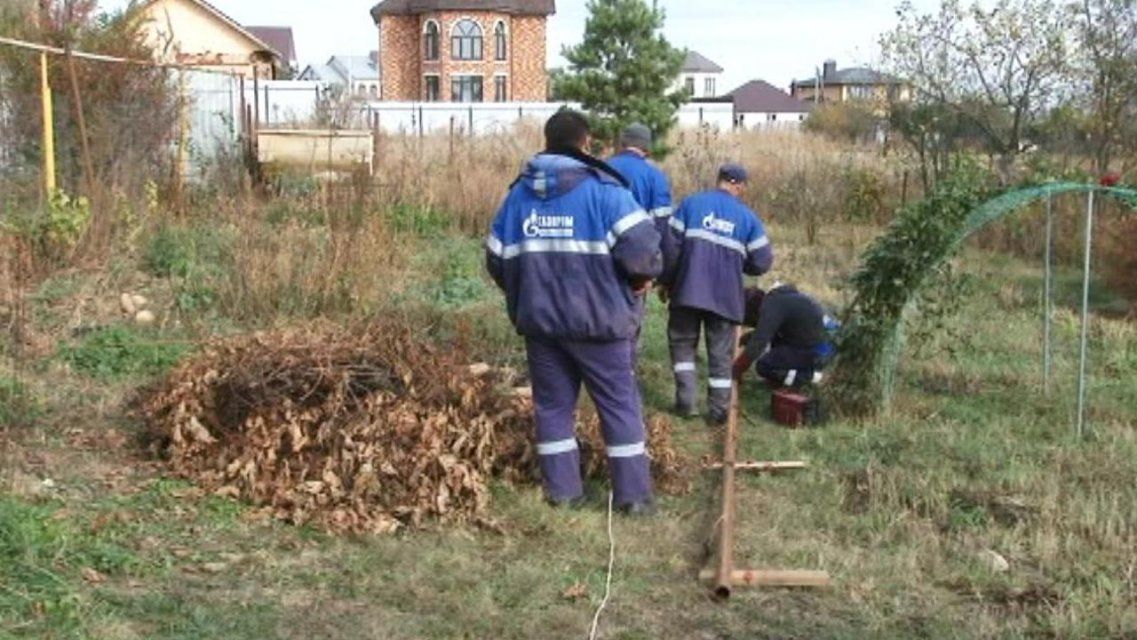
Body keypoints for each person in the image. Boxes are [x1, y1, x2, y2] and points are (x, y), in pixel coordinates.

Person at [485, 110, 662, 516]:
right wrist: (640, 280)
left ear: (547, 141)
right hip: (601, 326)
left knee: (552, 408)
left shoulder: (517, 198)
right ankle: (634, 499)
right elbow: (644, 253)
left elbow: (496, 259)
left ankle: (563, 493)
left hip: (542, 327)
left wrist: (529, 293)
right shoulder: (606, 192)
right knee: (619, 407)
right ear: (586, 143)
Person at [662, 164, 774, 425]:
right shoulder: (748, 218)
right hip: (725, 298)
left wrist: (667, 281)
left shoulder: (691, 204)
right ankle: (718, 412)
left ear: (720, 180)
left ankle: (686, 403)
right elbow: (762, 261)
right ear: (738, 185)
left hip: (688, 291)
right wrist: (738, 263)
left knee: (682, 346)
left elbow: (670, 249)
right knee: (721, 355)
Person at [607, 123, 674, 362]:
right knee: (629, 325)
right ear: (647, 148)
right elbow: (662, 229)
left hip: (597, 260)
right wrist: (660, 274)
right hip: (636, 266)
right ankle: (626, 371)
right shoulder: (655, 177)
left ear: (622, 143)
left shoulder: (600, 169)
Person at [733, 284, 839, 388]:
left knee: (765, 366)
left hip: (820, 350)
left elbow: (758, 342)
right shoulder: (779, 300)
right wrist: (748, 338)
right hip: (823, 341)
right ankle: (786, 375)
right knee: (776, 344)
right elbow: (769, 332)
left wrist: (737, 369)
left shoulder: (771, 308)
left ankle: (809, 376)